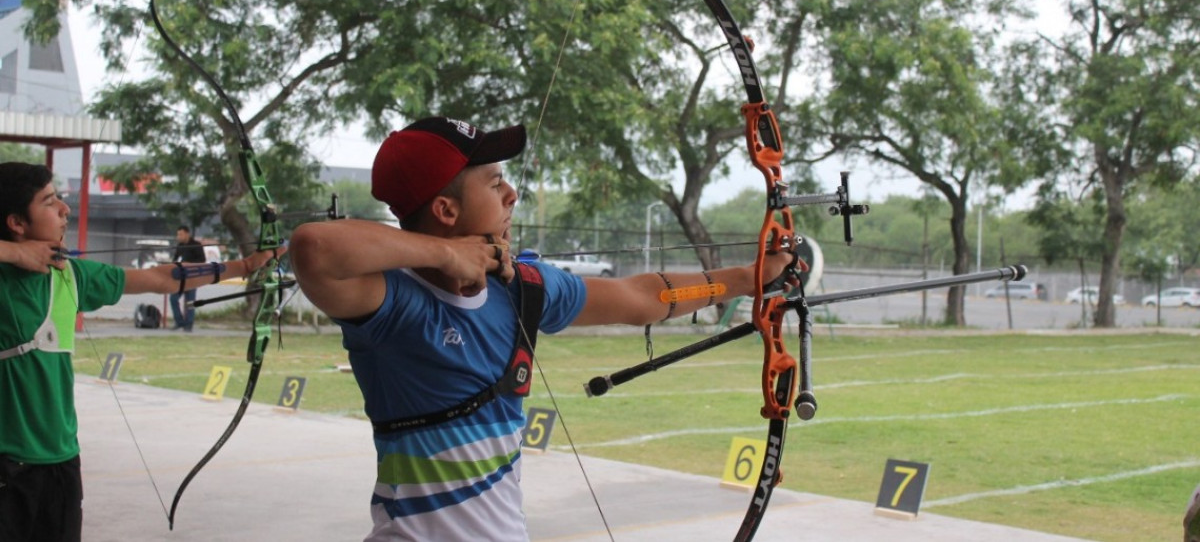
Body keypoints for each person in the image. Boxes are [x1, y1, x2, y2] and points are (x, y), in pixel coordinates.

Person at [289, 116, 800, 542]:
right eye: (493, 183)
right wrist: (446, 253)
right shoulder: (393, 303)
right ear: (445, 210)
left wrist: (750, 279)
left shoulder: (522, 287)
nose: (512, 194)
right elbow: (313, 247)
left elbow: (644, 298)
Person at [0, 161, 281, 542]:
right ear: (16, 223)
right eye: (49, 202)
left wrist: (244, 265)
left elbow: (161, 277)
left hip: (61, 462)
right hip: (8, 467)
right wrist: (16, 255)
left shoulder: (70, 275)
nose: (64, 210)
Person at [169, 225, 207, 331]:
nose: (178, 236)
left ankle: (189, 324)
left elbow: (202, 260)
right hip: (180, 278)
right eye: (178, 234)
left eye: (180, 234)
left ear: (187, 234)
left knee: (190, 302)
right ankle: (179, 322)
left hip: (191, 278)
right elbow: (175, 259)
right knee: (173, 299)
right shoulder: (180, 246)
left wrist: (188, 264)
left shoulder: (196, 245)